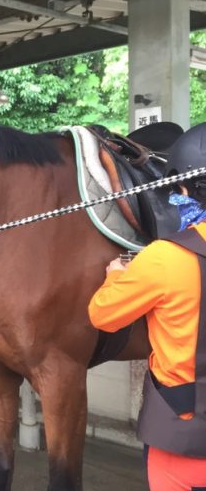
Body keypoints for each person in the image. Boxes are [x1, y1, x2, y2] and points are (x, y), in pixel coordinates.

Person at [88, 122, 206, 490]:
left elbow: (102, 316)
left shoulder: (165, 258)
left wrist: (116, 274)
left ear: (187, 189)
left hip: (183, 434)